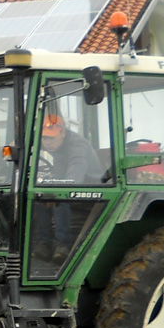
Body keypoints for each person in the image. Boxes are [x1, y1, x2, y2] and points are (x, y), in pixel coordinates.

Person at [37, 113, 107, 263]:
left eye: (51, 138)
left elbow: (73, 178)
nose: (47, 143)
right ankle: (44, 244)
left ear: (62, 133)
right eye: (44, 138)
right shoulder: (58, 147)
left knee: (60, 196)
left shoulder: (77, 147)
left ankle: (62, 244)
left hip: (92, 194)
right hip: (74, 190)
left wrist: (54, 184)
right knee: (39, 196)